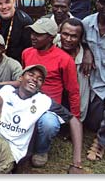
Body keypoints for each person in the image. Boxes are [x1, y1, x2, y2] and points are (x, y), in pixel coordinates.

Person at [21, 17, 81, 167]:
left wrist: (75, 120)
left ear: (51, 38)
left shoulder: (65, 60)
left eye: (38, 34)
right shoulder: (27, 52)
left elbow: (73, 92)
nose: (33, 37)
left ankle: (42, 150)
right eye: (32, 32)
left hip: (49, 106)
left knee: (49, 124)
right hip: (27, 101)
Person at [82, 0, 105, 161]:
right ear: (97, 3)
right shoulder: (87, 23)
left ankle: (100, 143)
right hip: (93, 84)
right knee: (92, 123)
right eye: (104, 2)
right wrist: (86, 49)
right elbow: (76, 39)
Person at [59, 18, 90, 122]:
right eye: (65, 34)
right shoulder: (52, 46)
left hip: (72, 100)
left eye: (73, 36)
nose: (68, 39)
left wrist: (78, 120)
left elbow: (82, 93)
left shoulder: (84, 61)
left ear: (80, 38)